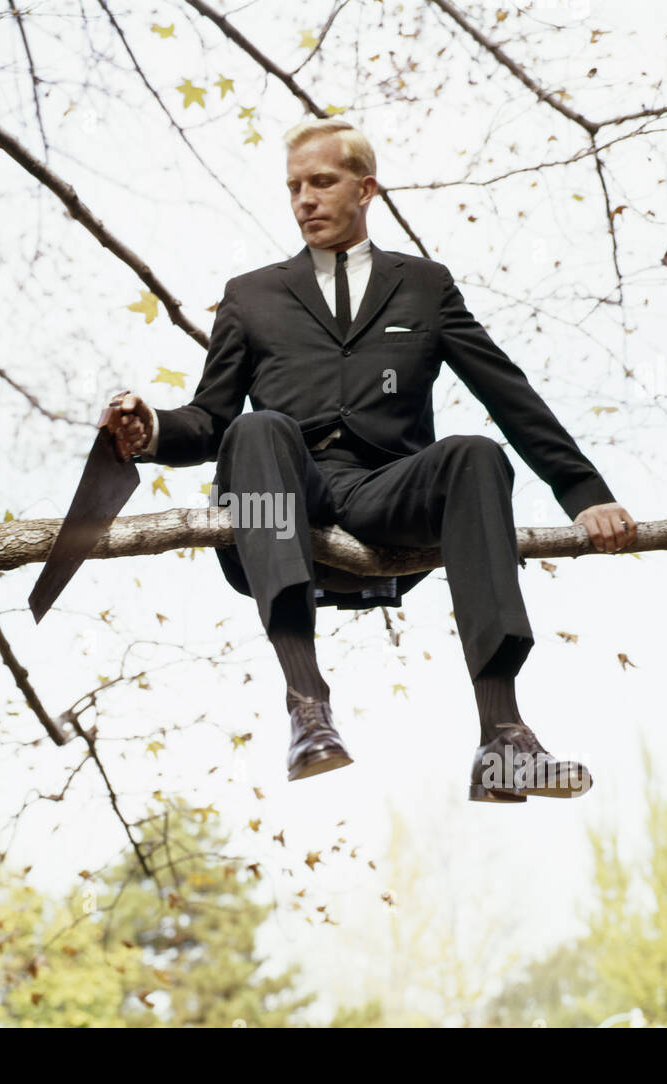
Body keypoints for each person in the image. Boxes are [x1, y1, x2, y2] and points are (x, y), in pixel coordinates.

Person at [101, 119, 637, 801]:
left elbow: (507, 392)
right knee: (258, 428)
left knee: (476, 454)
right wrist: (149, 429)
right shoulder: (251, 295)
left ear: (365, 189)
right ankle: (307, 708)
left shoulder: (424, 286)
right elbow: (211, 421)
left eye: (322, 182)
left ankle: (503, 737)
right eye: (294, 187)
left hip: (388, 495)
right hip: (280, 496)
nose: (304, 199)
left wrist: (585, 492)